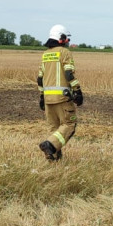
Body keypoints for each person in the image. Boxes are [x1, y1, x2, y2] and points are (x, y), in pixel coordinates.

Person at [37, 24, 83, 162]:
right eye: (66, 38)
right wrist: (78, 91)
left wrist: (41, 97)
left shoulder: (45, 54)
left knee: (56, 130)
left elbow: (40, 79)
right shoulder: (64, 53)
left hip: (48, 99)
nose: (68, 41)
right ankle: (50, 146)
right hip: (63, 98)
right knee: (69, 125)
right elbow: (69, 74)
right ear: (61, 38)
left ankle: (55, 160)